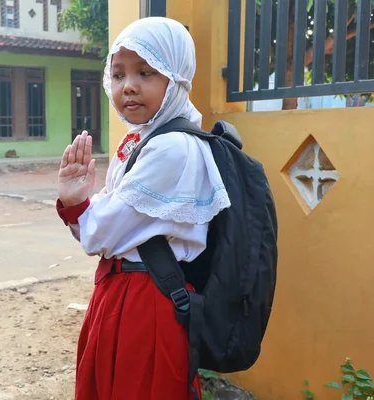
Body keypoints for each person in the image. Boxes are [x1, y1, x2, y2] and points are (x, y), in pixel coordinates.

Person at [56, 17, 232, 400]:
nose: (128, 86)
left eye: (146, 72)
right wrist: (81, 204)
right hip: (123, 295)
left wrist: (77, 203)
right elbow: (105, 220)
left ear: (177, 78)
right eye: (117, 74)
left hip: (145, 305)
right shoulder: (143, 141)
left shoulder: (173, 149)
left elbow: (100, 232)